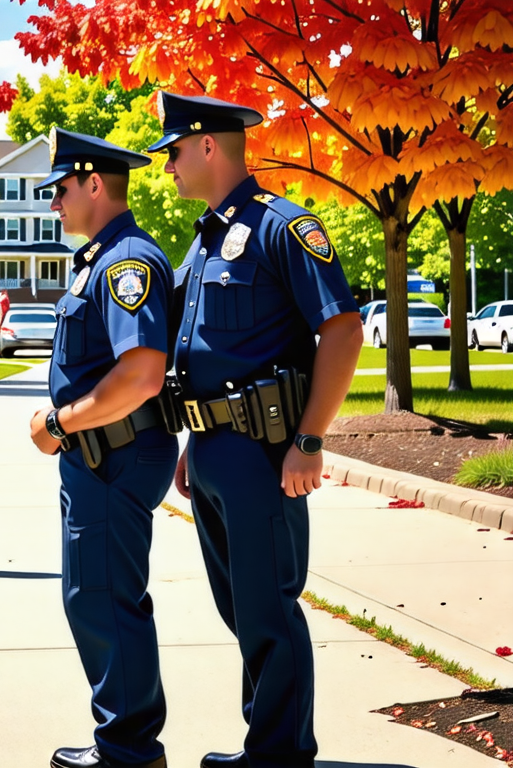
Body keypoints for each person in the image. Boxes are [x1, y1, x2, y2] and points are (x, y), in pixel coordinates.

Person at [151, 92, 363, 768]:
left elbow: (343, 329)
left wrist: (309, 440)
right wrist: (193, 443)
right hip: (215, 450)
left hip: (267, 452)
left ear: (209, 145)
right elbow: (201, 350)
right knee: (242, 611)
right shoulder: (207, 236)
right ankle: (264, 745)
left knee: (268, 609)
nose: (168, 168)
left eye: (175, 152)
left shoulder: (283, 226)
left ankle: (280, 755)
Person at [24, 130, 178, 768]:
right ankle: (125, 740)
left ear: (94, 184)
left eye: (60, 190)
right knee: (96, 595)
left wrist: (60, 423)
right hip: (101, 455)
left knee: (105, 596)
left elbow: (141, 375)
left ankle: (128, 750)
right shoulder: (102, 258)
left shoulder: (126, 262)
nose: (54, 204)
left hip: (114, 453)